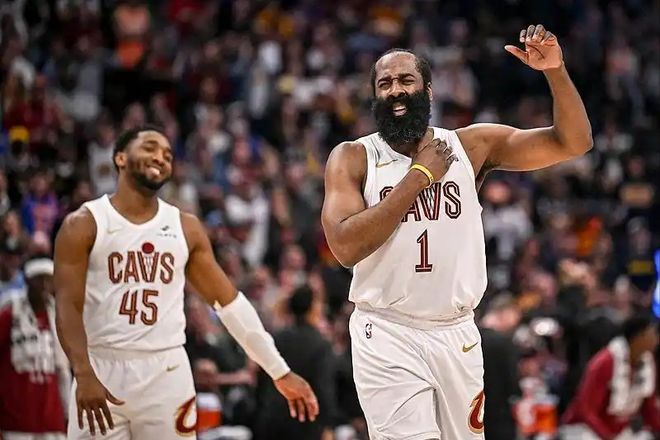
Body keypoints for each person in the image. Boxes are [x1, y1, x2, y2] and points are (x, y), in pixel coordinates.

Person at [321, 24, 593, 439]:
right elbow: (344, 246)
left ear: (428, 92)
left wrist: (555, 71)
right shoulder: (354, 157)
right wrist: (419, 176)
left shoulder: (470, 146)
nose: (395, 90)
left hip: (456, 331)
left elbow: (573, 142)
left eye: (406, 80)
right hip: (387, 331)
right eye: (385, 84)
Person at [53, 124, 318, 439]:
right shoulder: (84, 224)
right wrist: (83, 372)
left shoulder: (185, 227)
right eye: (150, 148)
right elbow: (67, 306)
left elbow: (230, 305)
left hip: (166, 372)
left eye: (167, 155)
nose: (161, 158)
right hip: (101, 364)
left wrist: (279, 370)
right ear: (120, 157)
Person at [0, 257, 70, 440]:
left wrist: (68, 414)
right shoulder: (10, 314)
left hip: (52, 419)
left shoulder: (59, 318)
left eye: (49, 280)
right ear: (28, 281)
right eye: (39, 280)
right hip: (15, 420)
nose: (44, 286)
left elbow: (63, 371)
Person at [254, 285, 337, 440]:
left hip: (270, 420)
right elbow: (324, 389)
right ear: (312, 308)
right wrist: (328, 425)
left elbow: (261, 382)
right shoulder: (320, 344)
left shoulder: (276, 338)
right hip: (305, 422)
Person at [561, 314, 660, 440]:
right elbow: (586, 410)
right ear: (638, 337)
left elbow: (649, 409)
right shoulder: (605, 362)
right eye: (652, 334)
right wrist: (607, 437)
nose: (657, 339)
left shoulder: (647, 362)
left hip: (619, 431)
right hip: (586, 429)